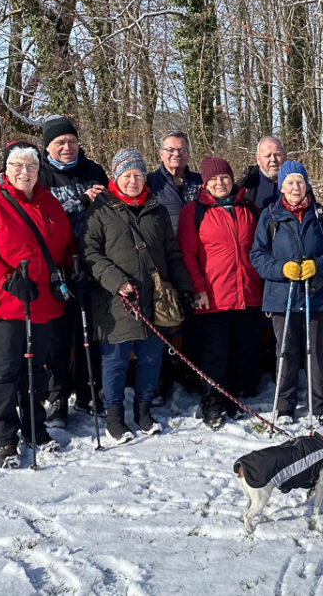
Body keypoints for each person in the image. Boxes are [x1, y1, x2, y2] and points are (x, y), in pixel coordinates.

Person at [0, 141, 76, 468]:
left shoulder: (49, 202)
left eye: (31, 166)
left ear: (39, 170)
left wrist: (73, 264)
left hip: (42, 302)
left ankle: (34, 428)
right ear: (6, 169)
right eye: (18, 166)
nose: (25, 172)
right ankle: (4, 438)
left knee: (35, 371)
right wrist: (7, 278)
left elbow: (66, 242)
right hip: (7, 302)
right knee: (4, 372)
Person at [83, 149, 192, 441]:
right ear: (115, 176)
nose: (133, 180)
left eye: (138, 174)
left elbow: (172, 253)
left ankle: (144, 412)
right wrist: (117, 281)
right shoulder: (100, 210)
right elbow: (90, 253)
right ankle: (115, 418)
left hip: (154, 298)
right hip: (115, 300)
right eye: (127, 174)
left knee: (150, 358)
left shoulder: (157, 209)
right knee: (116, 361)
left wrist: (183, 287)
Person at [250, 161, 323, 424]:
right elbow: (257, 255)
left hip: (317, 294)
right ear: (281, 186)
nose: (296, 187)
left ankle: (319, 405)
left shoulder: (321, 214)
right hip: (283, 296)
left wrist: (318, 265)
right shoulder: (270, 216)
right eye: (290, 182)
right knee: (286, 352)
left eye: (300, 182)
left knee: (317, 352)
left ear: (307, 184)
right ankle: (284, 407)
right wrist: (281, 269)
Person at [178, 157, 264, 429]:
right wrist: (198, 288)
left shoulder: (249, 208)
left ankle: (232, 399)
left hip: (247, 293)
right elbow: (187, 255)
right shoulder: (193, 212)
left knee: (241, 351)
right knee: (215, 355)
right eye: (213, 179)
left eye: (224, 177)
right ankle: (212, 403)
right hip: (213, 297)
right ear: (205, 183)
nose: (220, 183)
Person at [37, 115, 109, 426]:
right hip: (55, 266)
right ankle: (57, 396)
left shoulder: (93, 171)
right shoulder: (39, 175)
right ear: (47, 147)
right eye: (60, 143)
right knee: (58, 336)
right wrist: (80, 200)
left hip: (90, 261)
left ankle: (88, 390)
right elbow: (42, 219)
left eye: (72, 141)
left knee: (89, 332)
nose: (67, 147)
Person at [146, 130, 203, 403]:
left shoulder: (199, 183)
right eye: (170, 150)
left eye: (181, 150)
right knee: (164, 323)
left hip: (196, 261)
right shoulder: (151, 183)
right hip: (165, 262)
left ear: (188, 154)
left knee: (196, 321)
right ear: (161, 153)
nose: (175, 154)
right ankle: (161, 381)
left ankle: (193, 375)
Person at [236, 136, 287, 209]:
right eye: (267, 156)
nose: (273, 159)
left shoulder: (298, 184)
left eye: (277, 155)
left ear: (285, 156)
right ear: (258, 159)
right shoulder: (243, 187)